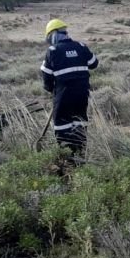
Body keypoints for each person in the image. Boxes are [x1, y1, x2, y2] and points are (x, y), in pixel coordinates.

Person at [40, 19, 98, 158]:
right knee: (80, 121)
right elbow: (94, 63)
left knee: (62, 124)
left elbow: (46, 76)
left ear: (53, 34)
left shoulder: (53, 51)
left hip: (63, 95)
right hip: (82, 94)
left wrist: (51, 90)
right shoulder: (81, 46)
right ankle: (80, 153)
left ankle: (66, 156)